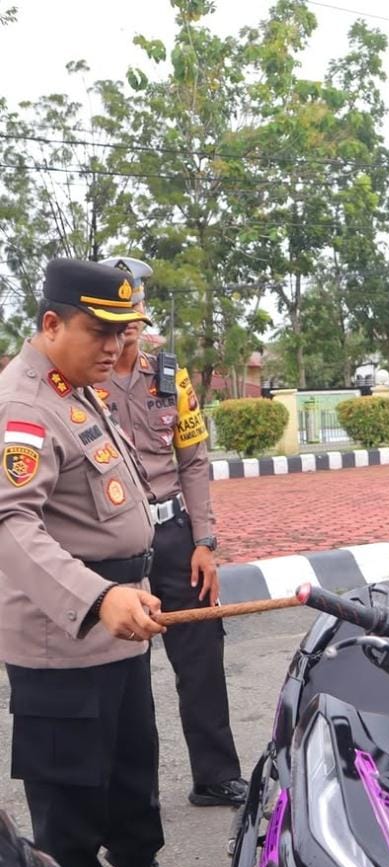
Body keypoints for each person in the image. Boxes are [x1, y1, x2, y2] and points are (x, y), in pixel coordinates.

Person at [0, 258, 219, 867]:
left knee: (129, 767)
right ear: (52, 323)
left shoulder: (76, 389)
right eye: (100, 331)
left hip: (118, 624)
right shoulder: (24, 403)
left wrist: (129, 585)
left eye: (123, 332)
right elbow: (11, 523)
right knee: (69, 791)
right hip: (62, 637)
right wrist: (98, 597)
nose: (115, 347)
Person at [98, 256, 245, 808]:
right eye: (119, 311)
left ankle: (215, 775)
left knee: (202, 655)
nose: (129, 321)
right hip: (115, 541)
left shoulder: (169, 374)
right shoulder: (83, 379)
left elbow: (194, 460)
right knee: (120, 672)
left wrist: (205, 542)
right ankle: (132, 799)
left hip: (175, 536)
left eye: (136, 308)